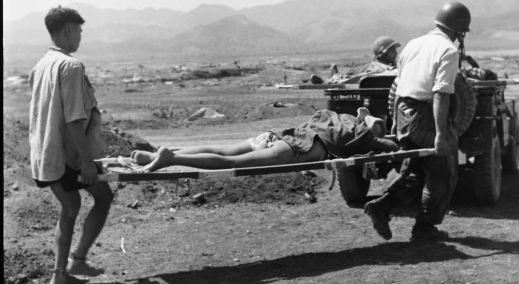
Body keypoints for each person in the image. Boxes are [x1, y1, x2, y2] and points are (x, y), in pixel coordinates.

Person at [364, 2, 471, 242]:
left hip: (404, 112)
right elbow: (441, 94)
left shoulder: (413, 44)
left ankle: (382, 207)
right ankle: (425, 228)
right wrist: (441, 134)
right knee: (442, 174)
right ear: (459, 30)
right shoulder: (448, 50)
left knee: (414, 170)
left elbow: (399, 86)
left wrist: (394, 120)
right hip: (427, 114)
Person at [29, 6, 114, 284]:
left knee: (69, 207)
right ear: (67, 30)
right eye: (78, 31)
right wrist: (87, 162)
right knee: (102, 198)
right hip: (70, 157)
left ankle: (60, 273)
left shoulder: (40, 65)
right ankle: (75, 261)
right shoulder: (71, 66)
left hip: (46, 155)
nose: (79, 37)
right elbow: (74, 120)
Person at [128, 107, 399, 172]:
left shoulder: (335, 116)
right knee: (229, 163)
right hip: (297, 149)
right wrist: (377, 128)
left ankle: (155, 155)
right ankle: (169, 158)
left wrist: (366, 116)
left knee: (223, 150)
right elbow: (389, 145)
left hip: (277, 136)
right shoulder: (362, 133)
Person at [309, 36, 401, 85]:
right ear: (382, 53)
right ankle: (331, 79)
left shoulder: (395, 67)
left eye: (395, 50)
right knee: (354, 75)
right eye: (392, 51)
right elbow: (355, 78)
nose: (396, 54)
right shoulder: (373, 68)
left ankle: (334, 77)